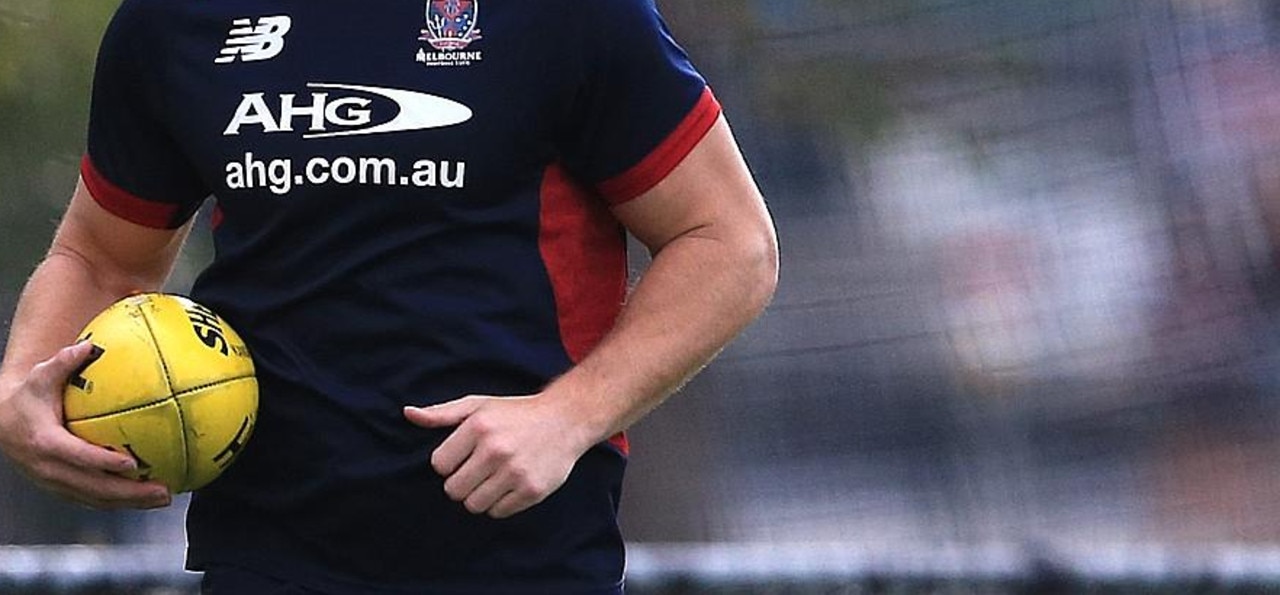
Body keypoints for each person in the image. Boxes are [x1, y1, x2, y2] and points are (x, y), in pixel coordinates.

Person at [0, 0, 778, 592]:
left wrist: (567, 415)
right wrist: (17, 393)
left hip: (520, 556)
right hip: (265, 552)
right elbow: (101, 258)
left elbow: (729, 242)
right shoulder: (175, 21)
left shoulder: (565, 13)